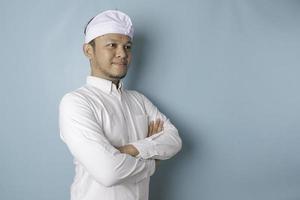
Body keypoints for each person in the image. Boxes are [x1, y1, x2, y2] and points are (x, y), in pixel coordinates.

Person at [59, 10, 182, 200]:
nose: (122, 53)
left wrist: (128, 150)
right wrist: (152, 162)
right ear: (88, 50)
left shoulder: (139, 100)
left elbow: (174, 140)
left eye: (128, 46)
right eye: (111, 45)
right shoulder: (76, 102)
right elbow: (108, 172)